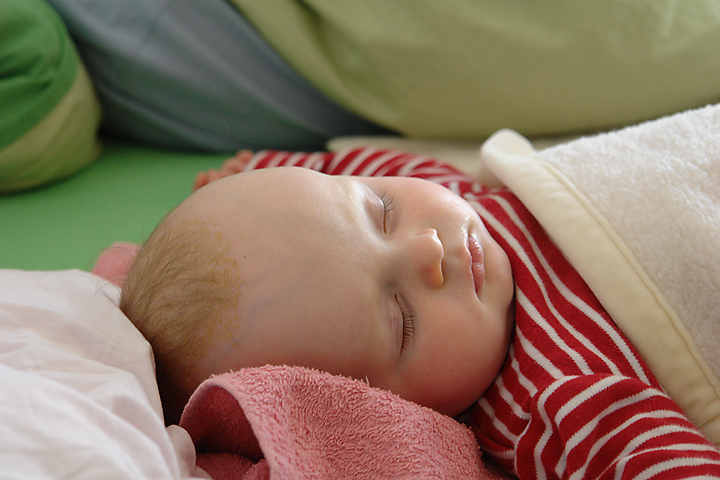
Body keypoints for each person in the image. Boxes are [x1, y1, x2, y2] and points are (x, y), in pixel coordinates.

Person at [118, 148, 720, 479]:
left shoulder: (435, 188)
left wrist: (258, 167)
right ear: (395, 410)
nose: (427, 249)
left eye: (381, 212)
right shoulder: (550, 401)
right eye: (403, 318)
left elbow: (345, 169)